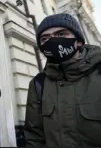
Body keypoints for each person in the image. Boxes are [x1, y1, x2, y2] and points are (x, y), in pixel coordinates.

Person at [24, 13, 101, 147]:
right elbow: (34, 137)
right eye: (45, 38)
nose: (52, 40)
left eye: (61, 34)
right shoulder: (38, 84)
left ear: (78, 41)